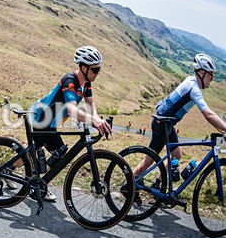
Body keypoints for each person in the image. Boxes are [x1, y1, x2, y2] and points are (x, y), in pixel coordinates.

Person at [27, 46, 111, 202]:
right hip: (42, 118)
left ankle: (13, 171)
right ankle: (40, 183)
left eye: (99, 69)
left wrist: (98, 118)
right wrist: (93, 120)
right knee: (60, 150)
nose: (98, 73)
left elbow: (90, 103)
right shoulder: (70, 81)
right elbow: (72, 110)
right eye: (96, 69)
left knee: (33, 150)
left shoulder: (86, 83)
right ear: (84, 67)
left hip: (50, 122)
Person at [131, 54, 226, 184]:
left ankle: (158, 184)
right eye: (211, 74)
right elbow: (208, 115)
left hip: (167, 122)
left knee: (176, 155)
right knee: (149, 160)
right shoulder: (194, 88)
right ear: (202, 72)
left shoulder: (192, 81)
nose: (212, 78)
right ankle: (129, 184)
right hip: (162, 123)